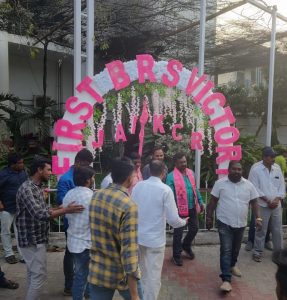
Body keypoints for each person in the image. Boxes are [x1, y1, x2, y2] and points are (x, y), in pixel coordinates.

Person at [16, 156, 84, 300]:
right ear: (39, 170)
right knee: (39, 276)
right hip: (31, 239)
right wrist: (66, 210)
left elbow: (43, 209)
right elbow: (39, 214)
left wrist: (58, 208)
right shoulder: (27, 189)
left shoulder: (37, 188)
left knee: (33, 274)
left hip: (36, 238)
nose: (51, 172)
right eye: (48, 169)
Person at [131, 160, 187, 300]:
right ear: (163, 173)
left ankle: (141, 296)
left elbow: (131, 208)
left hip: (139, 237)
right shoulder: (165, 190)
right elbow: (173, 219)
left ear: (149, 171)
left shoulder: (138, 186)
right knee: (154, 276)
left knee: (142, 272)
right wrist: (183, 222)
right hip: (155, 241)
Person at [89, 157, 142, 300]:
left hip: (98, 270)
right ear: (128, 178)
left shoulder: (96, 196)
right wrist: (135, 295)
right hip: (121, 275)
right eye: (134, 175)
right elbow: (129, 252)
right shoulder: (128, 205)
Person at [206, 161, 261, 292]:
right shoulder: (220, 184)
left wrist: (258, 218)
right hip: (224, 221)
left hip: (241, 223)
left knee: (235, 249)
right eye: (234, 169)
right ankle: (226, 279)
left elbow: (254, 202)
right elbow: (213, 201)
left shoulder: (248, 185)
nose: (237, 171)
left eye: (239, 169)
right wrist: (209, 217)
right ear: (229, 170)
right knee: (226, 249)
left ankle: (232, 265)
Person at [57, 148, 94, 296]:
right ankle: (71, 287)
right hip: (83, 238)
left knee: (81, 270)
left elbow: (63, 203)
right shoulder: (66, 179)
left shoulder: (72, 193)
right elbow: (61, 202)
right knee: (82, 272)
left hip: (75, 233)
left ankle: (83, 291)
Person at [166, 152, 204, 266]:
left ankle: (186, 245)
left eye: (185, 161)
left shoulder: (190, 173)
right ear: (175, 163)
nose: (184, 164)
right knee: (178, 232)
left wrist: (200, 201)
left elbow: (194, 188)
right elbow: (170, 194)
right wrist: (173, 209)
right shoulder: (171, 176)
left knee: (195, 228)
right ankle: (176, 255)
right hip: (179, 208)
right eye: (181, 162)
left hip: (192, 206)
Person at [63, 166, 95, 300]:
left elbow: (66, 215)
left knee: (83, 273)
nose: (93, 180)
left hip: (73, 240)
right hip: (85, 242)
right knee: (82, 275)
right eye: (93, 177)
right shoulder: (92, 197)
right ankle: (80, 296)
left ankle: (88, 294)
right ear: (88, 180)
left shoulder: (69, 194)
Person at [249, 147, 285, 262]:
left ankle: (279, 254)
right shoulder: (255, 169)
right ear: (264, 157)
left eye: (274, 156)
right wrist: (268, 200)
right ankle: (257, 252)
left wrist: (278, 198)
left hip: (276, 205)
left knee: (277, 230)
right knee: (261, 229)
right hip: (262, 205)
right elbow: (254, 187)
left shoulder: (277, 168)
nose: (274, 158)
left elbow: (281, 186)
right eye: (271, 156)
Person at [0, 153, 28, 264]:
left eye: (22, 162)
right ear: (12, 164)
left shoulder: (23, 173)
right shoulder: (3, 174)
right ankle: (9, 254)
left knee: (20, 231)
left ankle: (23, 255)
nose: (22, 164)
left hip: (20, 207)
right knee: (5, 231)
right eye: (20, 163)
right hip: (6, 207)